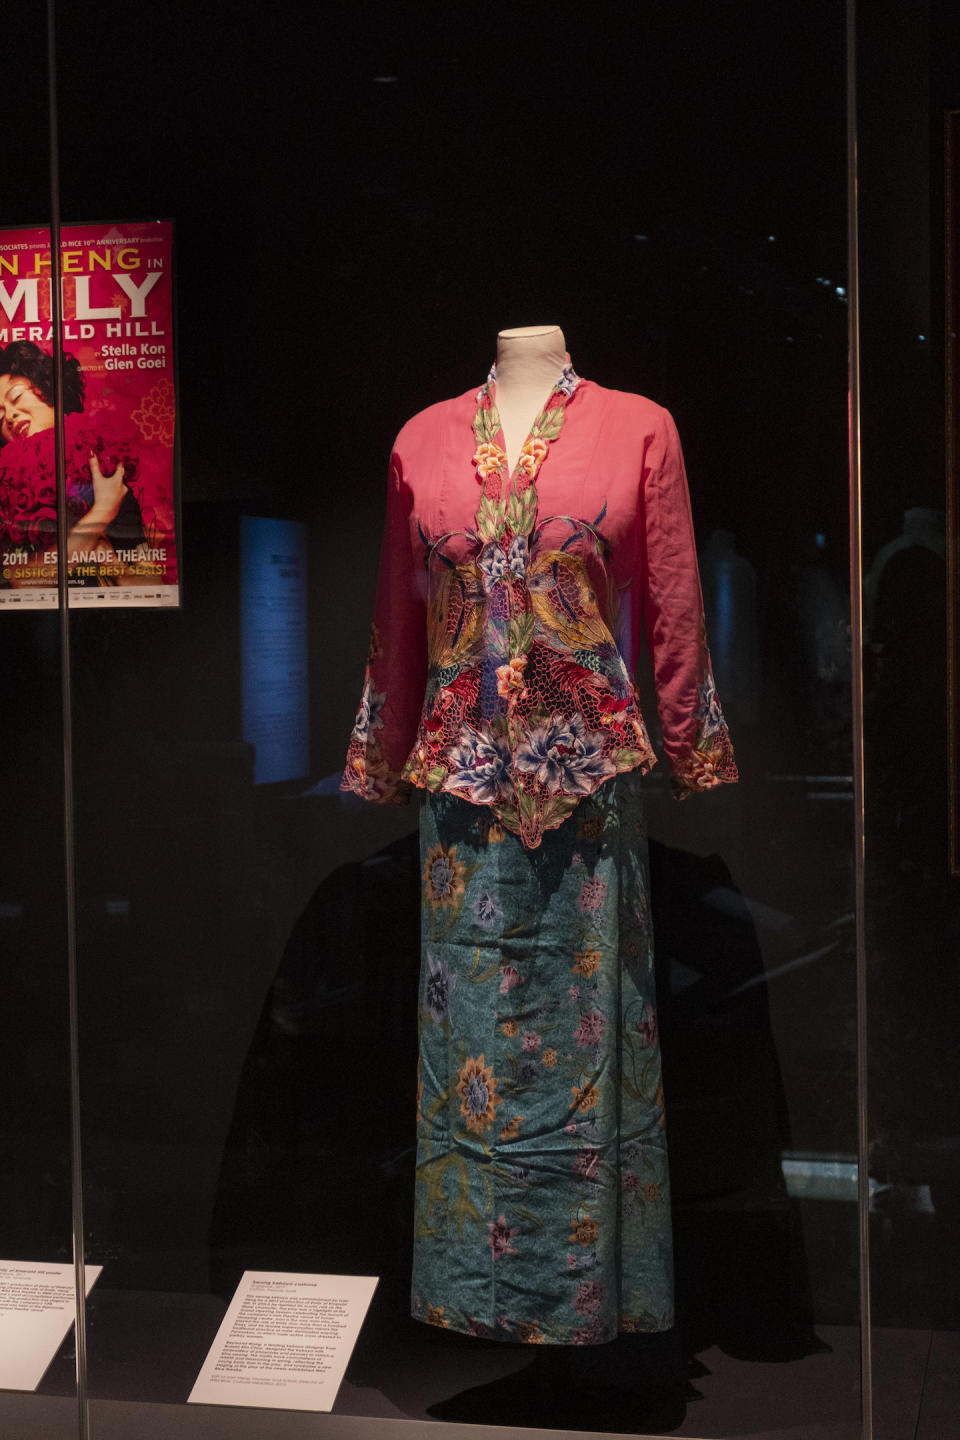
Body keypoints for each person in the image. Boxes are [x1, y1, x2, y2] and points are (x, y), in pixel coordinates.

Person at [343, 327, 737, 1351]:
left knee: (590, 1046)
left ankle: (596, 1296)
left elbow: (675, 600)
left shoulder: (639, 428)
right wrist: (386, 750)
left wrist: (687, 736)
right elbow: (399, 606)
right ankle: (470, 1292)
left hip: (589, 800)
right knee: (462, 1046)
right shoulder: (422, 441)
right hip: (460, 807)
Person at [0, 340, 145, 586]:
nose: (11, 417)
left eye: (16, 397)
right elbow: (20, 583)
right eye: (0, 415)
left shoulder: (104, 471)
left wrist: (110, 560)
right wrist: (101, 512)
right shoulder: (6, 498)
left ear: (49, 390)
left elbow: (151, 587)